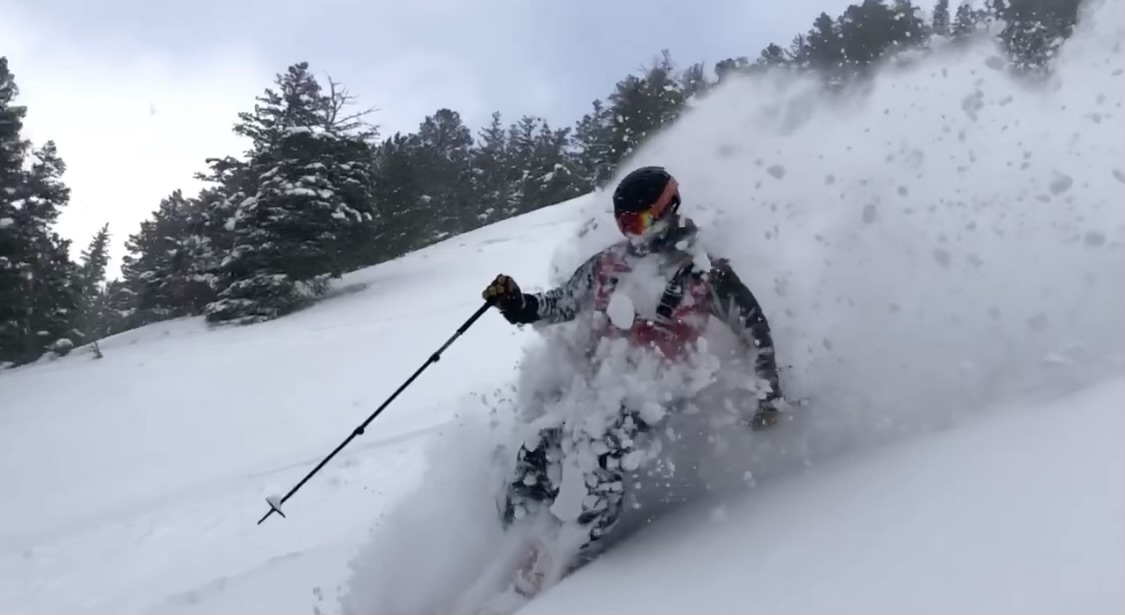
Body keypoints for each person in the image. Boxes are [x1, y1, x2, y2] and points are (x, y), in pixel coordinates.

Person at [481, 166, 786, 590]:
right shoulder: (610, 264)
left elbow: (755, 331)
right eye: (623, 223)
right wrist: (517, 304)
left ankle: (572, 550)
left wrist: (769, 397)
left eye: (639, 222)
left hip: (661, 389)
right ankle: (524, 538)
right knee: (535, 445)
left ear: (668, 212)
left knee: (602, 450)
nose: (632, 234)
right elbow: (561, 304)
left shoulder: (704, 274)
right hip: (605, 383)